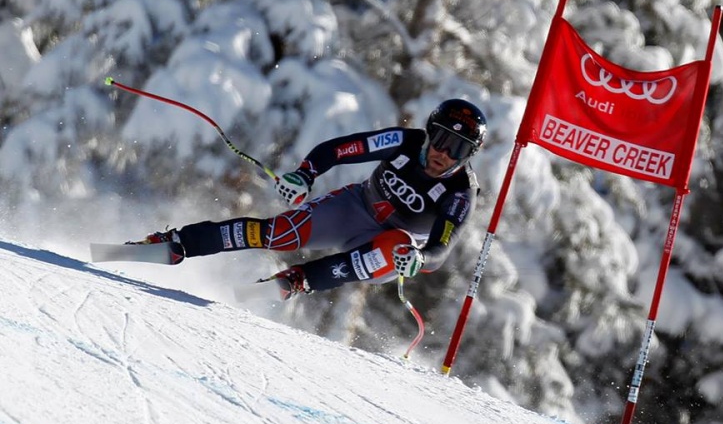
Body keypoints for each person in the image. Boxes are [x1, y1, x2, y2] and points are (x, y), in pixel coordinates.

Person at [134, 99, 487, 300]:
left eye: (457, 148)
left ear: (468, 155)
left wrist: (420, 258)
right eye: (440, 139)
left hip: (386, 247)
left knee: (396, 247)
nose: (443, 152)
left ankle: (298, 280)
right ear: (428, 132)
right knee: (278, 234)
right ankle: (179, 243)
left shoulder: (459, 192)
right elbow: (340, 149)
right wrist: (305, 173)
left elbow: (442, 247)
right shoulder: (404, 141)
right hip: (353, 208)